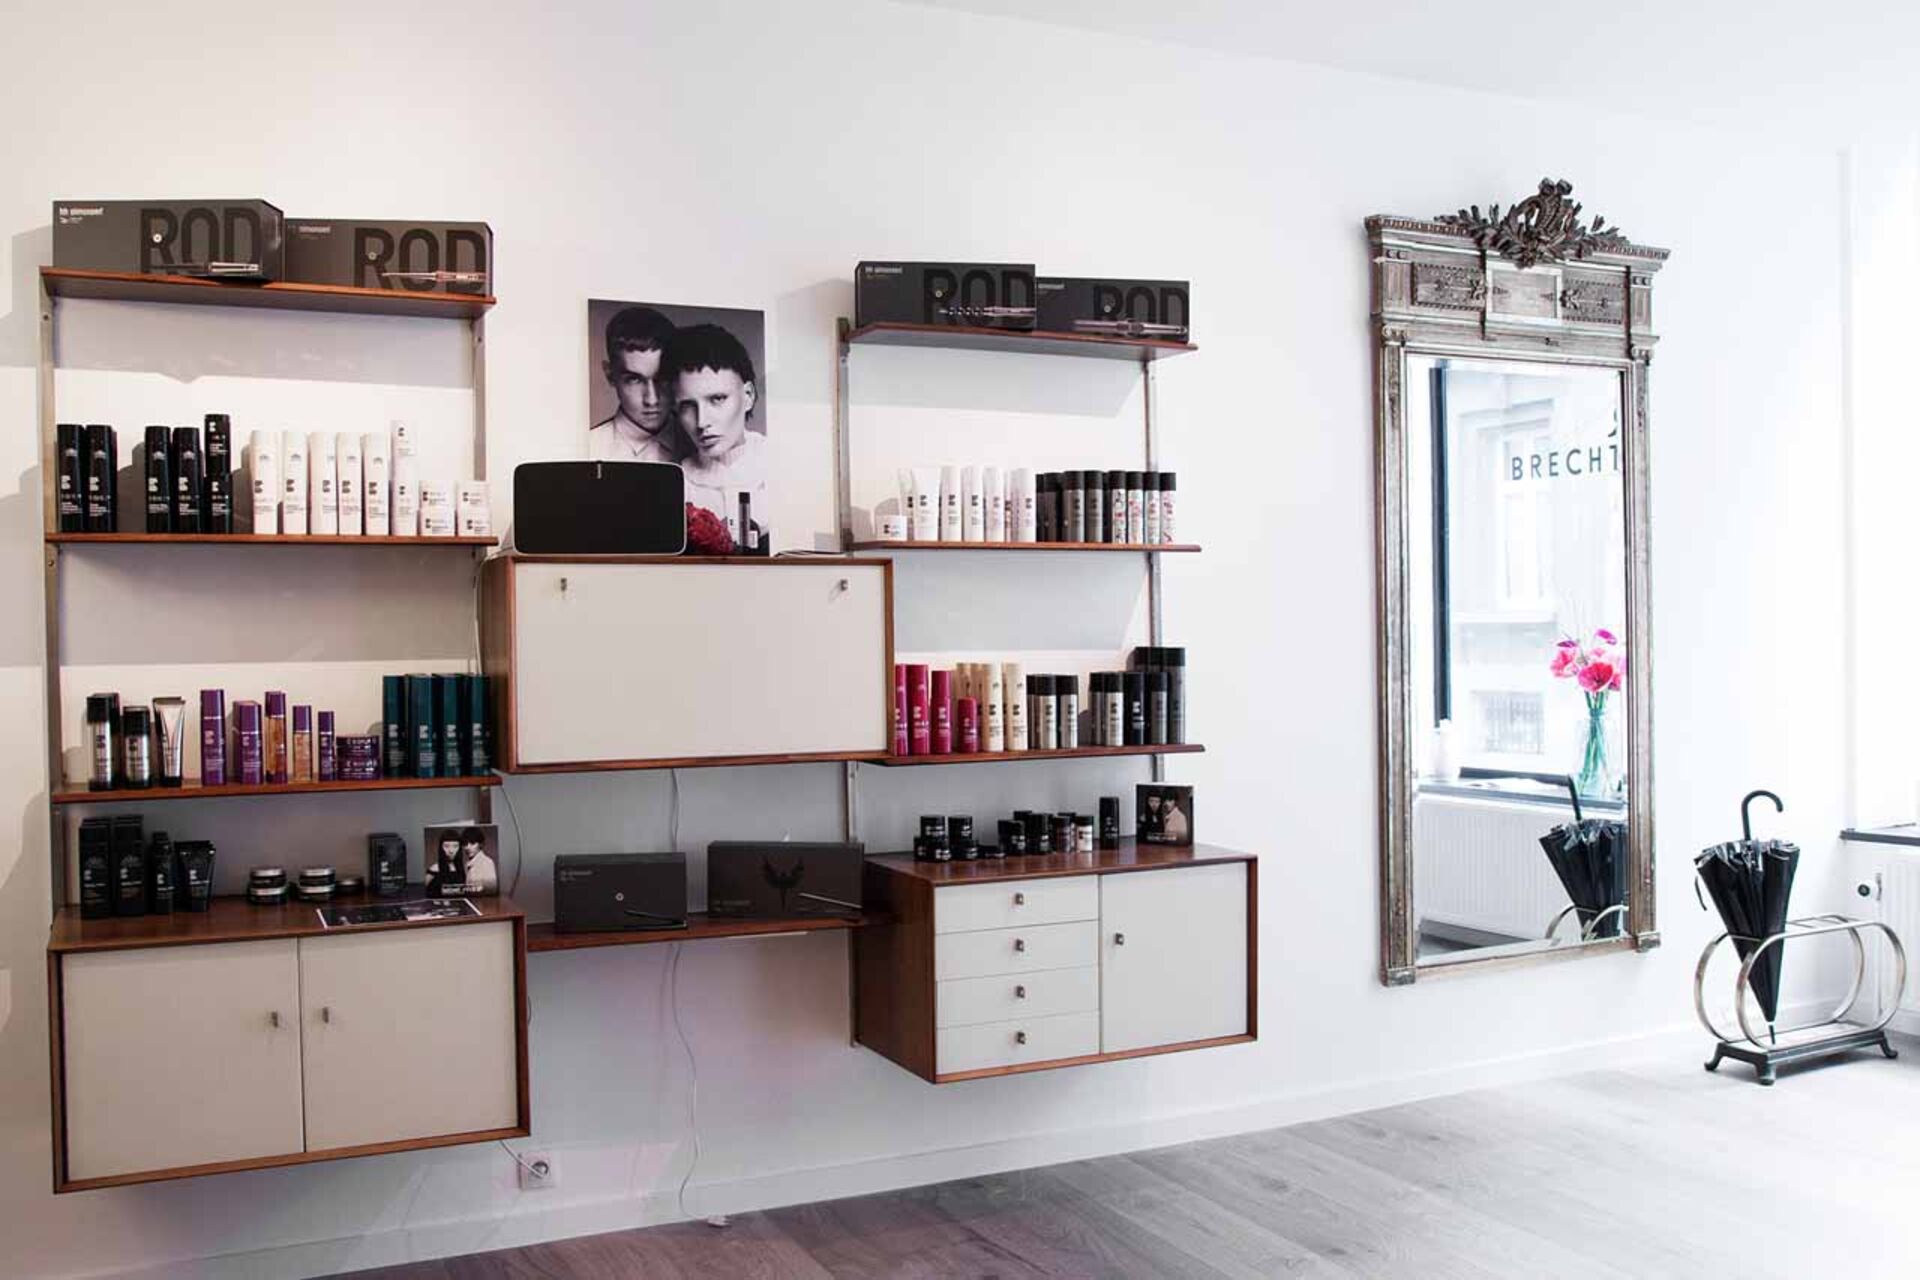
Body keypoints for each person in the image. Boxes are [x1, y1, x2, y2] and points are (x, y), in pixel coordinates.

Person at [665, 323, 766, 546]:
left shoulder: (783, 466)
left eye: (717, 399)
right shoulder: (677, 486)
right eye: (687, 406)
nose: (702, 422)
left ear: (748, 396)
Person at [589, 306, 680, 462]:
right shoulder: (590, 448)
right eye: (634, 380)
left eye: (663, 378)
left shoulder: (702, 446)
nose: (652, 400)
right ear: (610, 375)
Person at [427, 829, 466, 895]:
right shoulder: (435, 868)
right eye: (446, 846)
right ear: (441, 847)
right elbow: (426, 891)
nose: (451, 850)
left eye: (455, 846)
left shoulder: (462, 868)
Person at [459, 827, 498, 893]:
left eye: (472, 843)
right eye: (465, 844)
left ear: (480, 844)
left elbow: (491, 889)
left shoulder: (487, 862)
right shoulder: (467, 864)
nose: (468, 847)